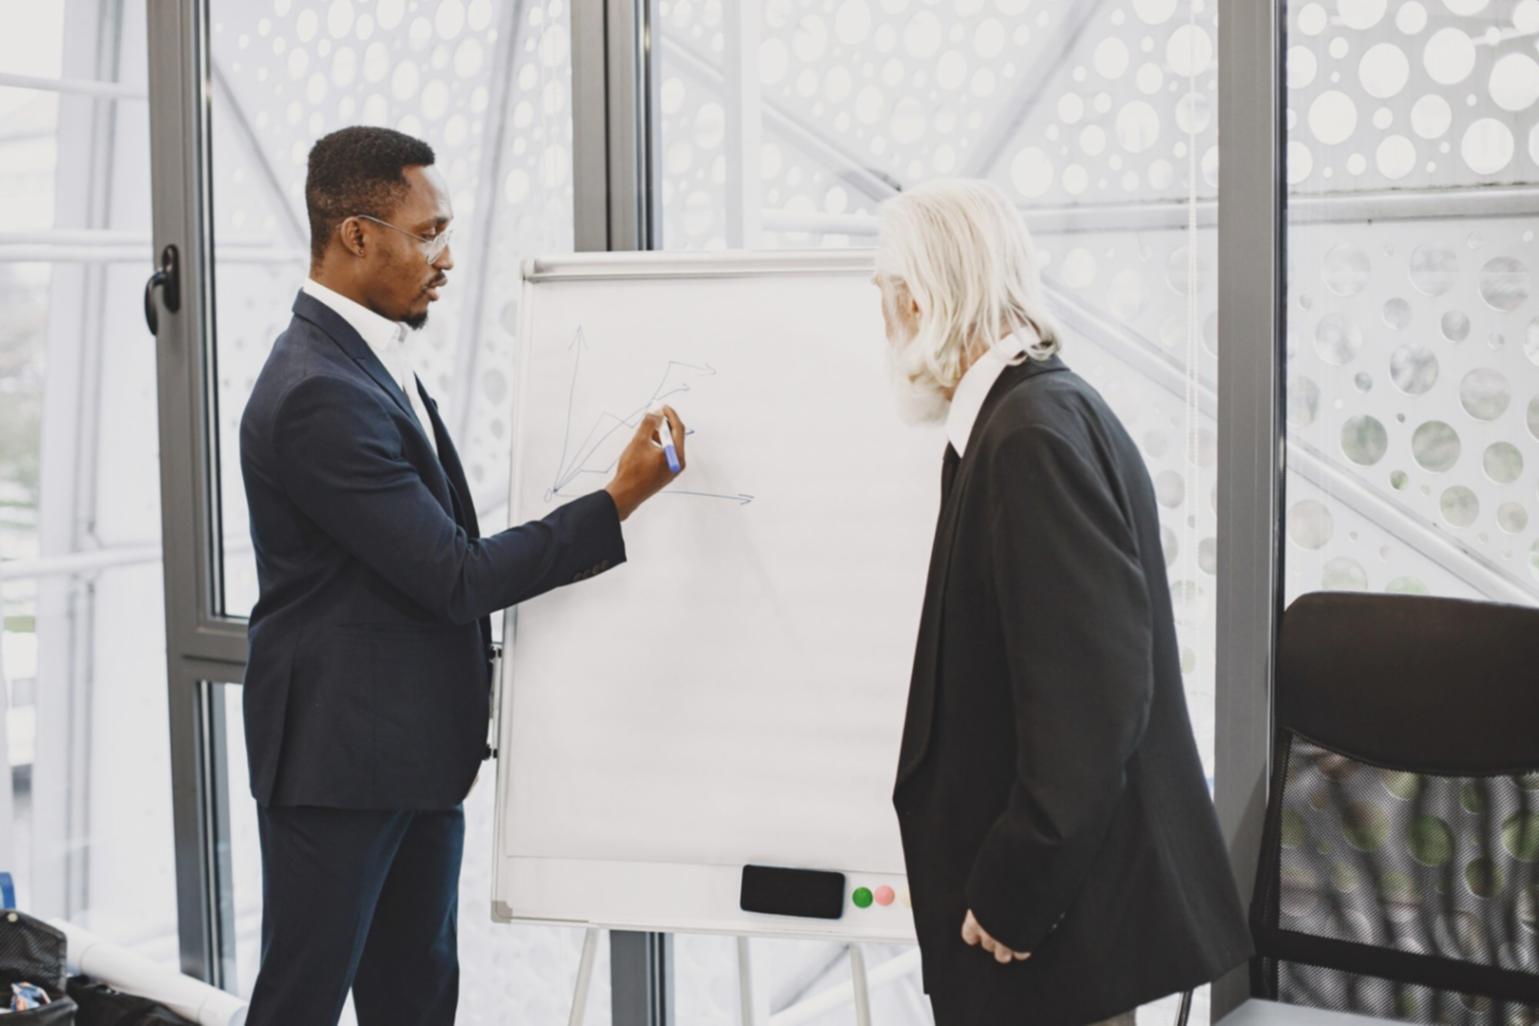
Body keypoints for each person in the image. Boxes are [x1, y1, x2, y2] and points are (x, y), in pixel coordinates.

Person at [238, 126, 685, 1026]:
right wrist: (618, 501)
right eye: (428, 234)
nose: (445, 259)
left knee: (416, 997)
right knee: (302, 1001)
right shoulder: (317, 391)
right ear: (356, 235)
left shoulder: (364, 360)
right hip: (340, 767)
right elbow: (453, 575)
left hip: (408, 757)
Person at [878, 179, 1252, 1026]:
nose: (883, 318)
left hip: (1044, 936)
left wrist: (1015, 892)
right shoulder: (1033, 415)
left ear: (920, 299)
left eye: (884, 292)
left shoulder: (1029, 438)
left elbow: (1090, 708)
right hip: (1053, 929)